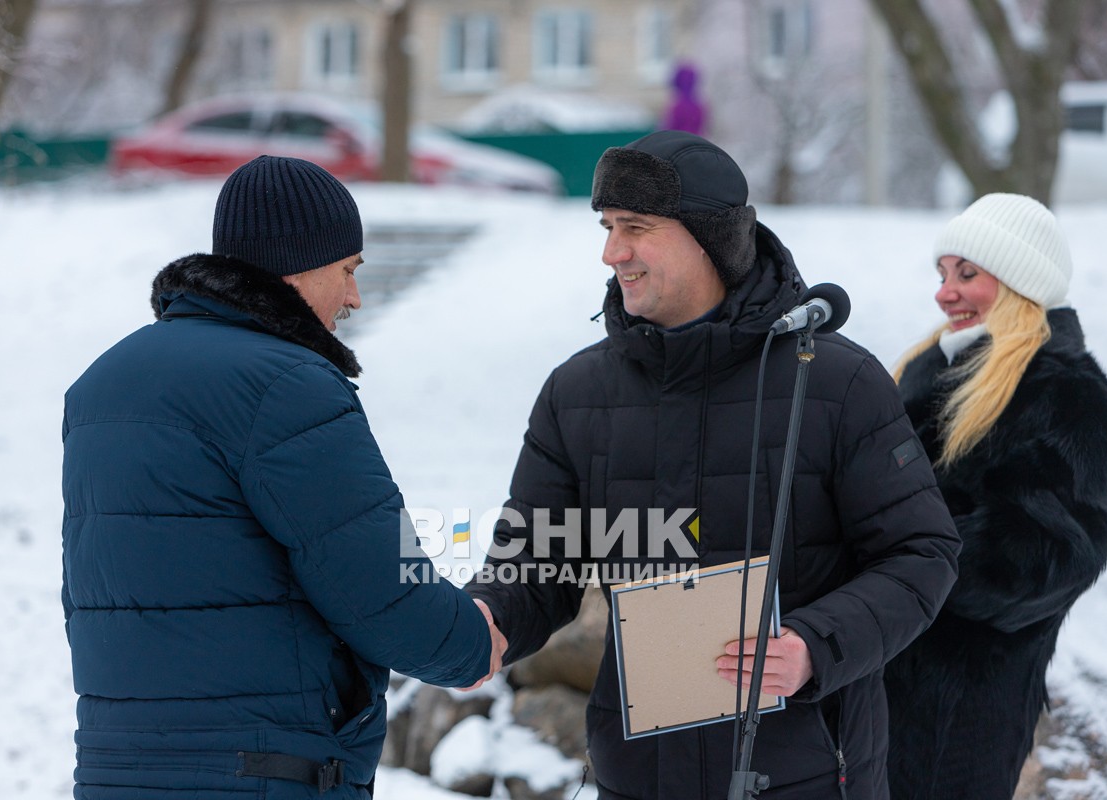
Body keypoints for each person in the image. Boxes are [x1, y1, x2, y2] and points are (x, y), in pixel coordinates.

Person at [464, 130, 961, 799]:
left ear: (709, 239)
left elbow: (922, 555)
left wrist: (814, 646)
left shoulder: (838, 382)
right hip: (636, 777)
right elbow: (535, 565)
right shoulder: (577, 394)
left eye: (635, 227)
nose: (613, 252)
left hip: (805, 774)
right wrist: (485, 621)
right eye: (609, 227)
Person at [61, 155, 505, 799]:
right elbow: (375, 584)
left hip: (115, 770)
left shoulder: (101, 384)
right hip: (260, 772)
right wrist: (469, 643)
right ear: (297, 262)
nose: (354, 296)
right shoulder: (286, 383)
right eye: (348, 271)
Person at [884, 193, 1107, 799]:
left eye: (968, 274)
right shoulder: (932, 371)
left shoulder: (1062, 390)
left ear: (1021, 283)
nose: (945, 292)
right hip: (876, 678)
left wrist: (906, 565)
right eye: (943, 274)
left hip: (959, 708)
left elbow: (1053, 554)